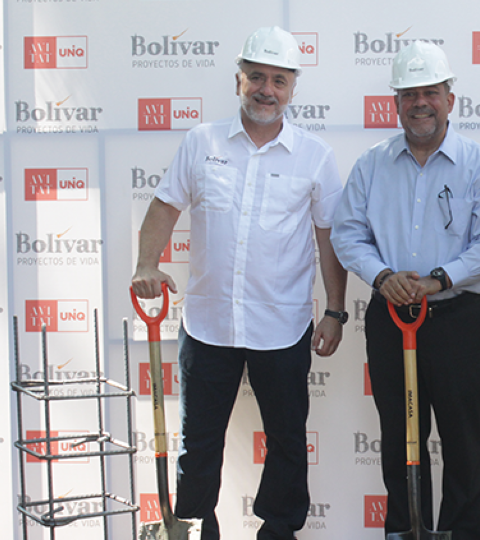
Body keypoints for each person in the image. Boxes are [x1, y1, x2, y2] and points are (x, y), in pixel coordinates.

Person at [130, 26, 348, 540]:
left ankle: (278, 529)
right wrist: (146, 263)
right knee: (199, 442)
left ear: (292, 88)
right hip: (208, 324)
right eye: (256, 77)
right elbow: (164, 206)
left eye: (278, 80)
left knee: (288, 440)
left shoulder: (314, 155)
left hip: (283, 324)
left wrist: (336, 310)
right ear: (239, 81)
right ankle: (195, 524)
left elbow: (329, 238)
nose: (266, 89)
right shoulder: (201, 142)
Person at [331, 41, 480, 540]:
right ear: (396, 104)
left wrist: (438, 279)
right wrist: (384, 277)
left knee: (465, 446)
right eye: (409, 94)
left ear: (451, 99)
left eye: (431, 91)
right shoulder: (371, 165)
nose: (420, 102)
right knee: (400, 441)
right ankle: (406, 531)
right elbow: (347, 233)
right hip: (391, 320)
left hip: (458, 321)